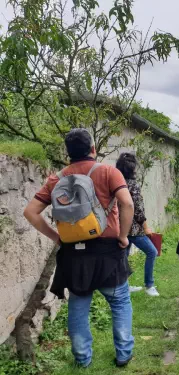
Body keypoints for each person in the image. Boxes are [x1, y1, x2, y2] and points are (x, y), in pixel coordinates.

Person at [23, 129, 135, 368]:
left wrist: (57, 237)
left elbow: (30, 212)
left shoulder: (57, 179)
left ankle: (83, 358)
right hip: (107, 251)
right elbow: (127, 202)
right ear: (93, 149)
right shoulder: (108, 172)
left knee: (78, 306)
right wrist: (124, 236)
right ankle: (124, 354)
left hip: (74, 254)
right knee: (120, 302)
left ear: (68, 153)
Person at [116, 153, 160, 297]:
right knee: (152, 252)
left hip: (119, 228)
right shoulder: (133, 185)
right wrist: (146, 227)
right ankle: (149, 285)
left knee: (124, 256)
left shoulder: (116, 183)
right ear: (133, 168)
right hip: (133, 229)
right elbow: (138, 209)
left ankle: (125, 286)